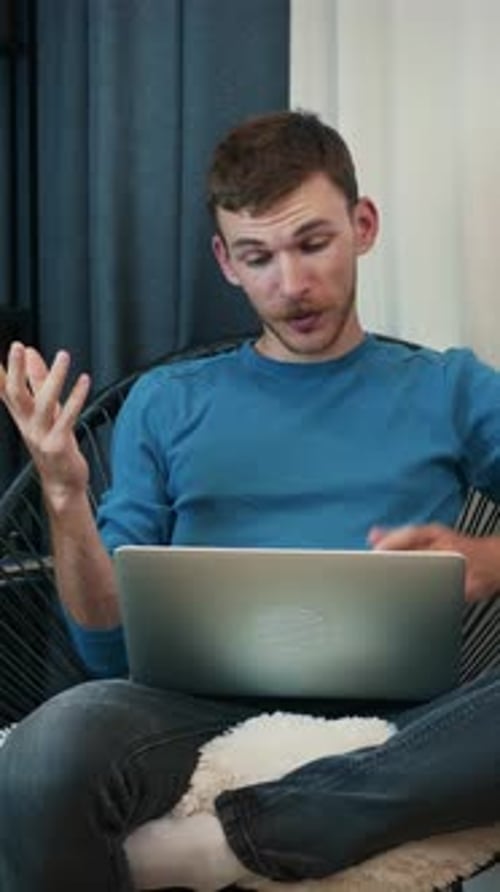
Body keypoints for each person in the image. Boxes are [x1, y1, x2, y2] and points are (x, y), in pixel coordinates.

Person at [0, 109, 500, 892]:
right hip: (189, 712)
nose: (291, 285)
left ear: (362, 225)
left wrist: (488, 556)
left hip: (405, 724)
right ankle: (300, 827)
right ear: (224, 262)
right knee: (47, 746)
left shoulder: (452, 387)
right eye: (257, 257)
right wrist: (66, 499)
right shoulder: (167, 403)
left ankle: (228, 843)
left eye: (313, 244)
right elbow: (105, 648)